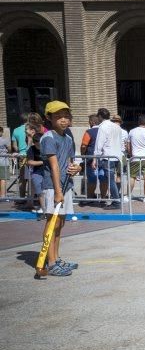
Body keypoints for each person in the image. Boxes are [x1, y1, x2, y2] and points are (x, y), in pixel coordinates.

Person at [40, 101, 83, 276]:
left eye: (66, 116)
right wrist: (57, 191)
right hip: (53, 187)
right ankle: (50, 262)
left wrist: (77, 168)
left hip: (66, 185)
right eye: (58, 117)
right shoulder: (48, 138)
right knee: (52, 223)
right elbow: (54, 166)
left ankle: (56, 258)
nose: (63, 120)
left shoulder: (68, 138)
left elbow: (71, 161)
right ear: (49, 118)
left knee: (60, 224)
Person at [93, 107, 125, 208]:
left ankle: (116, 201)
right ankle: (116, 199)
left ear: (100, 116)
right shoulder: (117, 127)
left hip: (108, 157)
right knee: (113, 179)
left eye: (98, 116)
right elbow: (120, 142)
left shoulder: (103, 127)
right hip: (117, 156)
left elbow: (99, 143)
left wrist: (95, 158)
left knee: (110, 180)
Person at [80, 113, 101, 203]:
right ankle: (103, 197)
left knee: (91, 179)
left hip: (90, 158)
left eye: (89, 121)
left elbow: (84, 145)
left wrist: (82, 154)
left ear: (92, 122)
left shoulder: (88, 132)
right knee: (103, 178)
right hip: (103, 158)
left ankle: (90, 197)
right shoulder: (103, 131)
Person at [10, 113, 30, 201]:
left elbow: (14, 146)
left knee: (22, 178)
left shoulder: (15, 130)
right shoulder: (31, 129)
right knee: (31, 177)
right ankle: (32, 197)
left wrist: (19, 150)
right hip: (31, 155)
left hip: (22, 155)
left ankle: (22, 198)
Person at [26, 132, 46, 215]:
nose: (39, 147)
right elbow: (30, 162)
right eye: (38, 145)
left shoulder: (47, 148)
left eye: (41, 144)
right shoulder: (31, 149)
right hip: (36, 172)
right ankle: (43, 208)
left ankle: (47, 207)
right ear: (34, 143)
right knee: (39, 190)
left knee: (46, 190)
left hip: (47, 172)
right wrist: (42, 162)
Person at [0, 126, 9, 199]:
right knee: (3, 179)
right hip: (3, 162)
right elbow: (9, 149)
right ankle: (3, 196)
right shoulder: (4, 140)